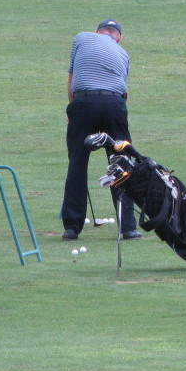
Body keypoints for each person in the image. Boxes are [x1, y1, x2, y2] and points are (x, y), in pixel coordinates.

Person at [60, 19, 141, 241]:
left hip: (84, 102)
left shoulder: (81, 38)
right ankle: (128, 227)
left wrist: (71, 109)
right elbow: (121, 88)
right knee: (121, 163)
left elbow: (72, 77)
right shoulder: (123, 54)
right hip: (114, 104)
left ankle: (72, 227)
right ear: (119, 37)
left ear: (97, 32)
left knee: (77, 163)